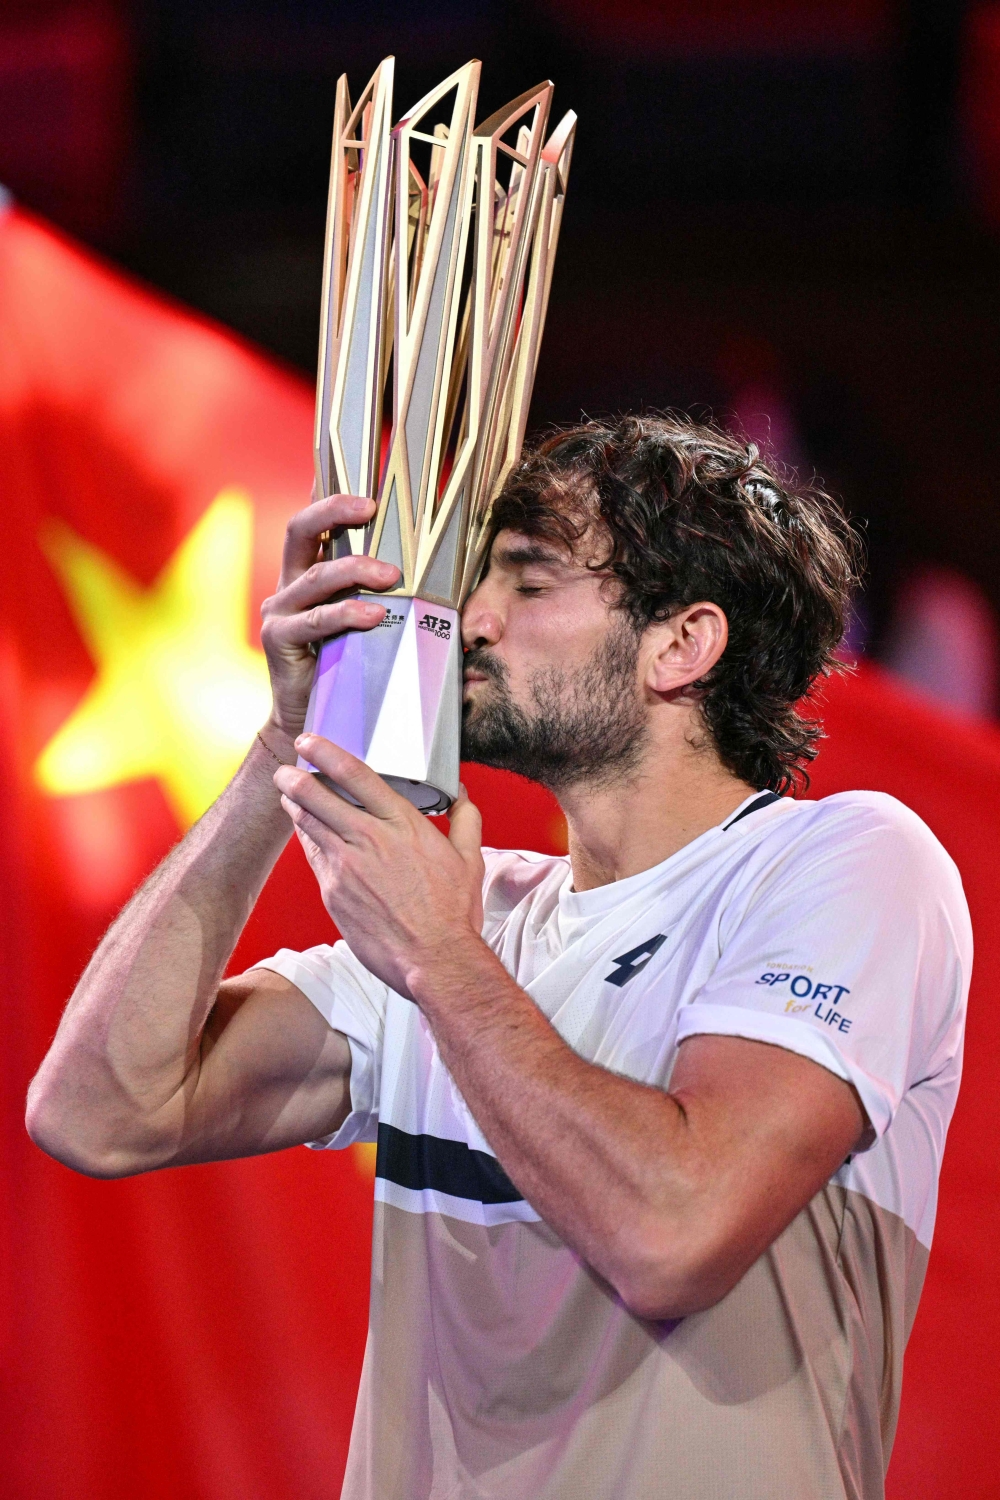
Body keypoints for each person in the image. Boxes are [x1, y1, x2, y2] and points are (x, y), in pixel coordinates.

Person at [27, 416, 971, 1500]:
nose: (466, 621)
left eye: (526, 583)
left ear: (683, 644)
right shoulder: (479, 918)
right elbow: (97, 1114)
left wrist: (438, 958)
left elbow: (673, 1233)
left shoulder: (843, 863)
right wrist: (283, 743)